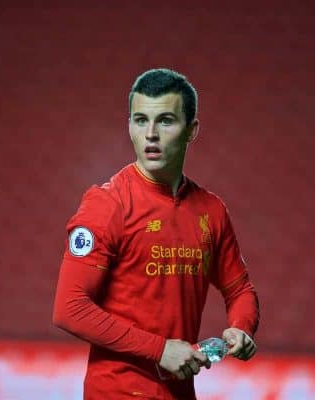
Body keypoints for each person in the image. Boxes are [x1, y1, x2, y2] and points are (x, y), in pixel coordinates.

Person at [53, 68, 260, 399]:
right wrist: (159, 349)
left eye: (165, 121)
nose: (150, 133)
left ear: (191, 130)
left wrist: (241, 327)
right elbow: (69, 308)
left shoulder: (211, 210)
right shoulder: (107, 205)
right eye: (140, 120)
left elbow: (240, 290)